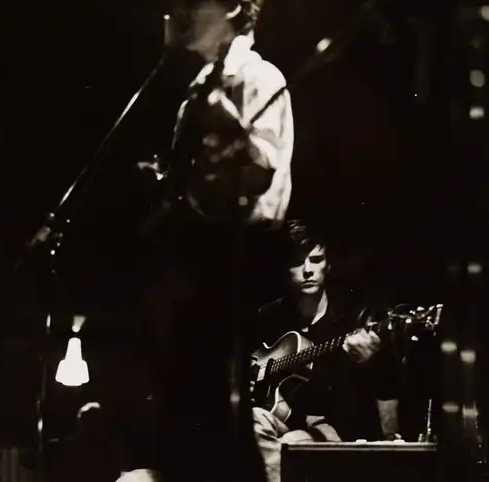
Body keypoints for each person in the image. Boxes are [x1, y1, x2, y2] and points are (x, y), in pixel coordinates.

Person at [117, 1, 294, 481]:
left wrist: (224, 124)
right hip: (187, 281)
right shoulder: (196, 92)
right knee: (184, 431)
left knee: (221, 429)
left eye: (190, 2)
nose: (175, 11)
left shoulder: (260, 79)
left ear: (234, 7)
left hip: (230, 275)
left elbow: (266, 191)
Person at [250, 219, 401, 482]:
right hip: (280, 417)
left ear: (328, 265)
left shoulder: (351, 320)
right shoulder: (268, 317)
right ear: (284, 268)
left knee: (292, 443)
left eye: (316, 260)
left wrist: (369, 362)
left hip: (331, 430)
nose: (307, 270)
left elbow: (386, 386)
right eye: (297, 262)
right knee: (252, 421)